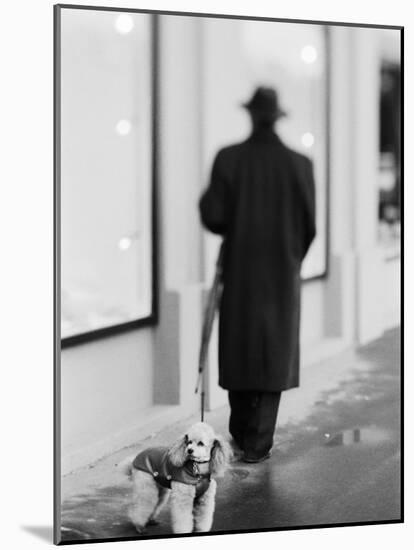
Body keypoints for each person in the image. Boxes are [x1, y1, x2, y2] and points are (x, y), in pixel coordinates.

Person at [199, 86, 316, 463]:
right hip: (282, 275)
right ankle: (258, 443)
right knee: (273, 351)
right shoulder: (300, 164)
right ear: (278, 118)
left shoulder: (229, 159)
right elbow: (309, 225)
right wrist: (291, 258)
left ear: (250, 115)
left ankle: (240, 432)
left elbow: (213, 216)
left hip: (240, 270)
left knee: (240, 348)